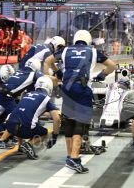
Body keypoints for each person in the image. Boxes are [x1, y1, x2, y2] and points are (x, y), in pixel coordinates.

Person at [44, 30, 116, 173]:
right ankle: (75, 158)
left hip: (67, 87)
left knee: (69, 121)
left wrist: (57, 73)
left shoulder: (65, 50)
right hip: (82, 88)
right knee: (81, 123)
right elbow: (112, 66)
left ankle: (70, 156)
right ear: (88, 40)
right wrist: (102, 75)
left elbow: (47, 61)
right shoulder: (93, 51)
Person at [0, 76, 61, 159]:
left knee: (21, 118)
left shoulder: (27, 94)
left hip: (10, 126)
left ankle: (20, 146)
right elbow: (57, 119)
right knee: (44, 133)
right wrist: (55, 136)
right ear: (49, 87)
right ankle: (29, 144)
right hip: (24, 128)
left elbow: (27, 111)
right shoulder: (46, 98)